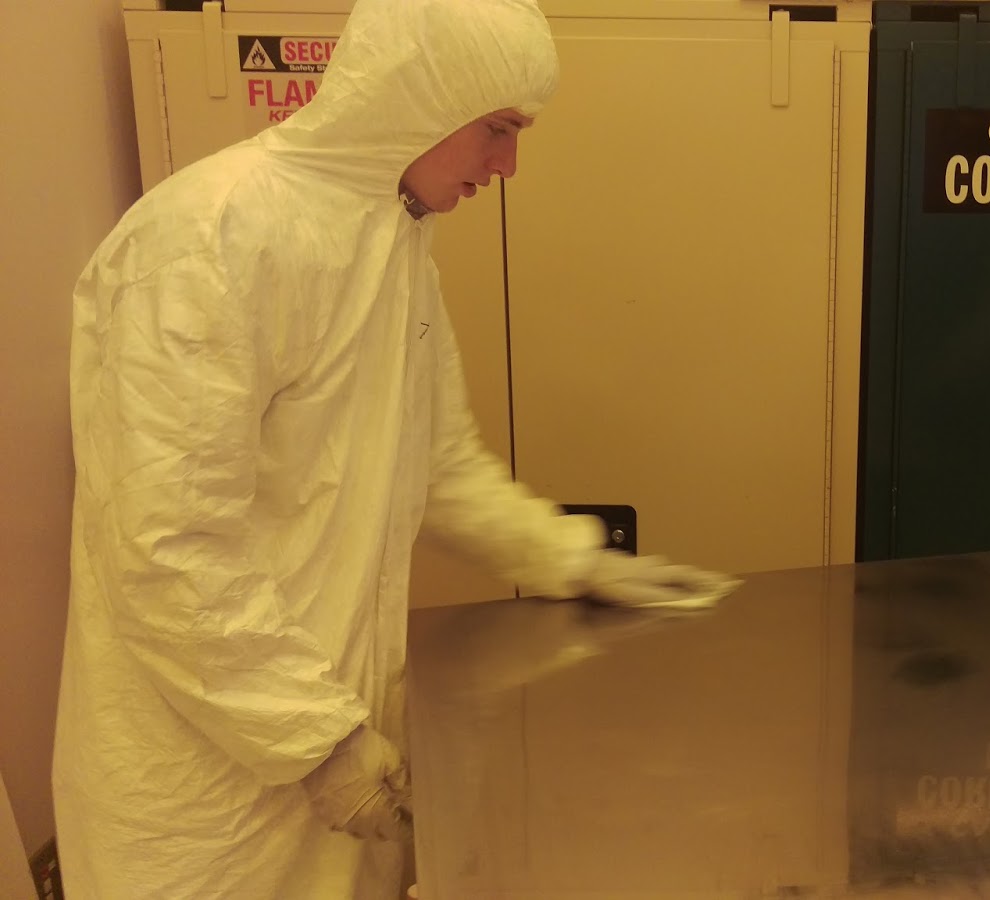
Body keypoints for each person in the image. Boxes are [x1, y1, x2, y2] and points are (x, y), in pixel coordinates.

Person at [53, 0, 732, 897]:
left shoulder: (394, 243)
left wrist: (580, 562)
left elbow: (441, 468)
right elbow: (166, 546)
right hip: (200, 804)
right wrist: (316, 741)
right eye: (497, 130)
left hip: (329, 750)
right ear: (417, 97)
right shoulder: (203, 242)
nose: (509, 165)